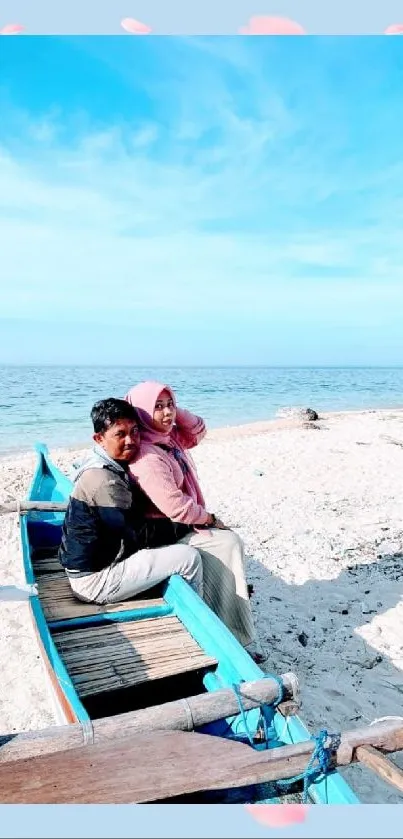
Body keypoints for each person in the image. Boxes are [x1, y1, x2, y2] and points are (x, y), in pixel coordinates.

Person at [124, 381, 264, 661]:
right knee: (228, 543)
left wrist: (175, 412)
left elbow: (198, 429)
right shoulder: (147, 456)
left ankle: (231, 625)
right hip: (164, 532)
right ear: (140, 412)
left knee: (229, 545)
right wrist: (210, 518)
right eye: (157, 407)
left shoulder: (168, 438)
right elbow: (176, 507)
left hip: (180, 525)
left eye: (170, 405)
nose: (167, 413)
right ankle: (232, 635)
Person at [58, 398, 203, 604]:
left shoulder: (108, 463)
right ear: (99, 438)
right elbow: (136, 534)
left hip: (90, 564)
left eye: (135, 431)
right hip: (93, 581)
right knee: (188, 558)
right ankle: (202, 615)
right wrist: (187, 523)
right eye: (120, 434)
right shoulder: (103, 480)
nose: (131, 441)